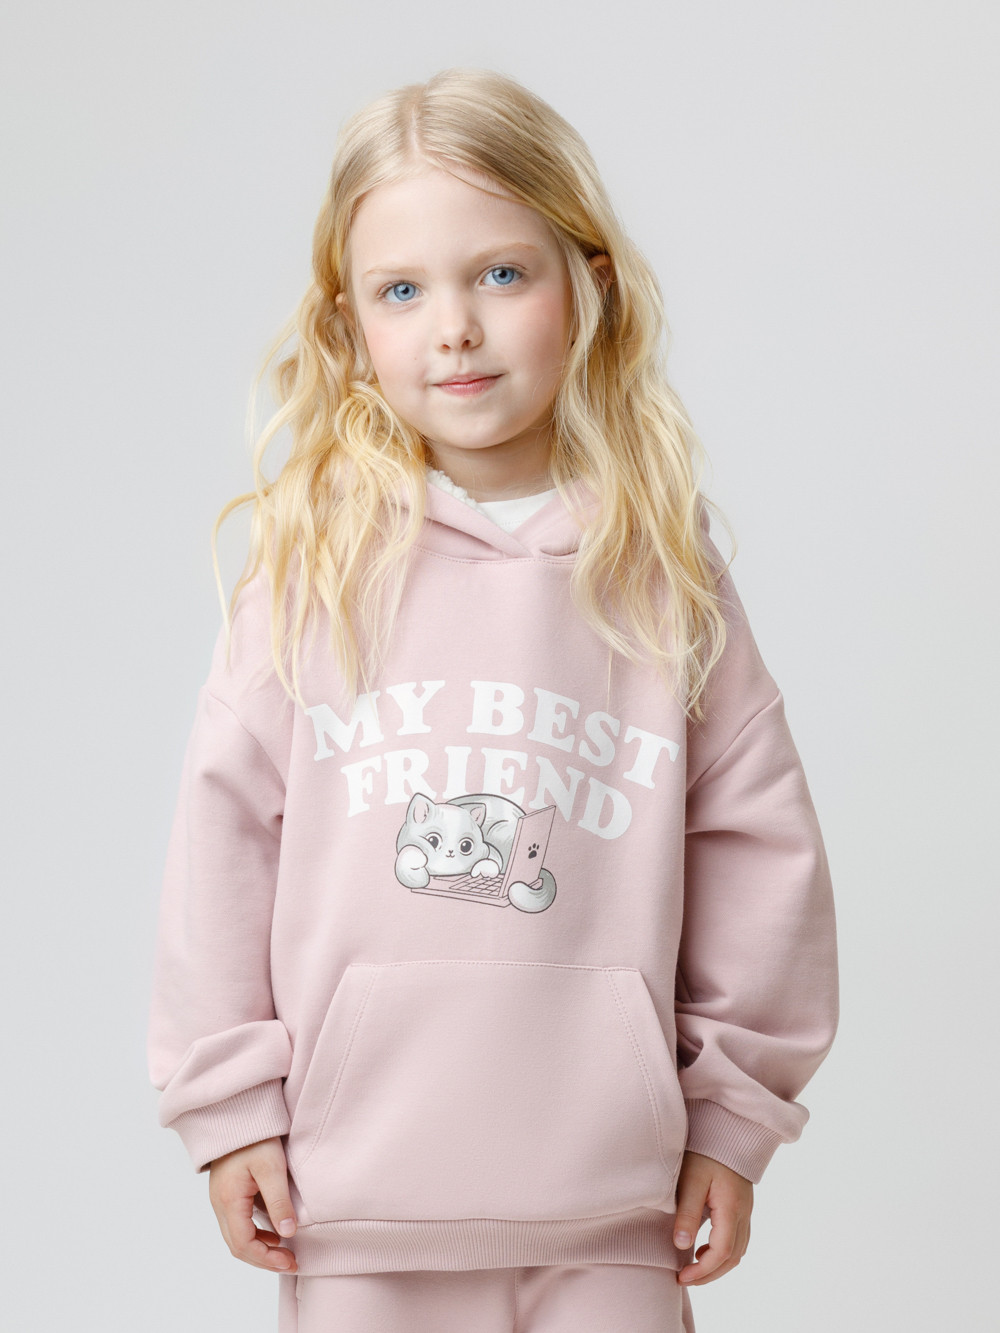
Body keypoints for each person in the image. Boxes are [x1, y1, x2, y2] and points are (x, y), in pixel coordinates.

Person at [147, 67, 839, 1333]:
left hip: (613, 1209)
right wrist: (228, 1105)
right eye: (402, 291)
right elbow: (221, 845)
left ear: (589, 287)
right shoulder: (311, 569)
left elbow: (757, 848)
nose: (453, 328)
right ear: (349, 324)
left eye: (501, 274)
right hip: (356, 1203)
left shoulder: (660, 570)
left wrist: (732, 1118)